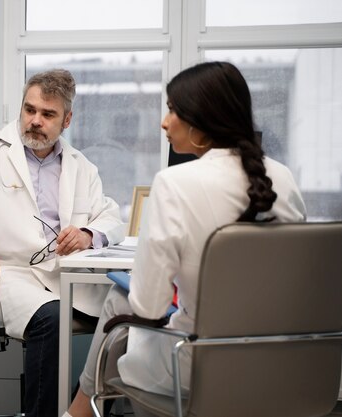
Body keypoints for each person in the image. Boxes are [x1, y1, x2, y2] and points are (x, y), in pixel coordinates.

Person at [64, 61, 307, 417]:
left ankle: (75, 413)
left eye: (173, 109)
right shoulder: (282, 177)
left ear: (201, 120)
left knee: (123, 308)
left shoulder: (174, 183)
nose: (164, 121)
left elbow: (148, 306)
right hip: (284, 365)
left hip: (196, 367)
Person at [0, 68, 125, 417]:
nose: (35, 121)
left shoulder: (81, 167)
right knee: (52, 318)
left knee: (129, 311)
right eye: (29, 110)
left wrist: (89, 234)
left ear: (67, 119)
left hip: (59, 277)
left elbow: (111, 217)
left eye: (48, 114)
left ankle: (82, 408)